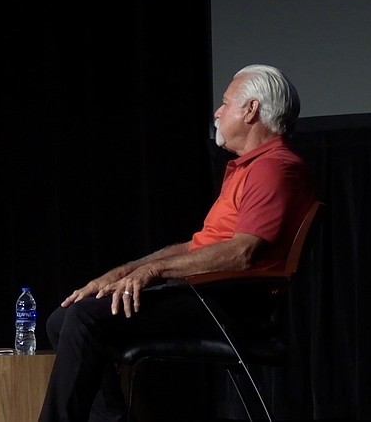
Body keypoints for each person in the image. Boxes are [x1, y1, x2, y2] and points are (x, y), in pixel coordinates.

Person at [38, 64, 316, 422]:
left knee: (84, 318)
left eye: (225, 103)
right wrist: (122, 272)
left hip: (232, 306)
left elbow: (243, 252)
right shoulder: (248, 168)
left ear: (251, 110)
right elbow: (196, 246)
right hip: (209, 296)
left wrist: (155, 272)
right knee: (62, 319)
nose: (217, 112)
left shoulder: (275, 167)